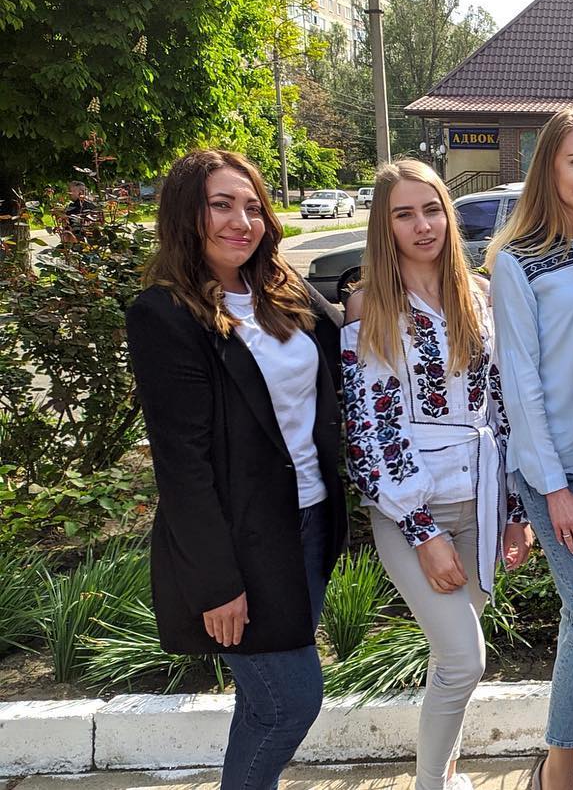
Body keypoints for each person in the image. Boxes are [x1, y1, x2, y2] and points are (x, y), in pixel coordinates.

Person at [126, 150, 347, 790]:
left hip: (308, 522)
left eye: (252, 207)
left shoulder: (280, 290)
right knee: (290, 703)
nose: (241, 222)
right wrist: (217, 583)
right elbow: (183, 466)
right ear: (186, 215)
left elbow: (348, 337)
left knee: (261, 703)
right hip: (242, 544)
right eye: (221, 205)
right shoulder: (165, 315)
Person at [342, 159, 533, 790]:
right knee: (463, 659)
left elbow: (500, 405)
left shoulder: (478, 295)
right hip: (410, 511)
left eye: (432, 210)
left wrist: (514, 512)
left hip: (481, 499)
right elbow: (369, 428)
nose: (423, 226)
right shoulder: (369, 306)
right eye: (404, 214)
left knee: (451, 659)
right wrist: (422, 531)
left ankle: (444, 774)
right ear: (385, 226)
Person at [485, 108, 573, 790]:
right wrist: (551, 488)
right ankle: (556, 766)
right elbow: (521, 383)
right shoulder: (518, 260)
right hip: (555, 470)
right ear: (547, 165)